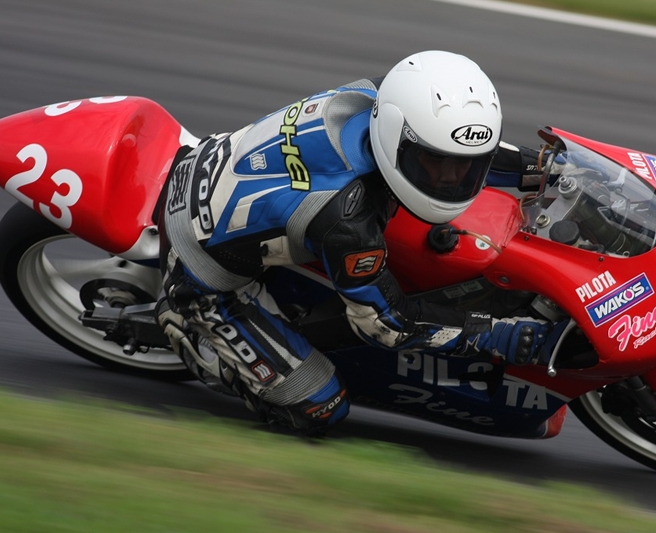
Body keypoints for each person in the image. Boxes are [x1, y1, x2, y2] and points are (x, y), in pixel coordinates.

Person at [156, 50, 551, 434]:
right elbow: (388, 324)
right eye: (435, 162)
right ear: (398, 140)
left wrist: (544, 168)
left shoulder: (388, 95)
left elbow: (458, 145)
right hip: (199, 265)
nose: (452, 178)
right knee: (321, 406)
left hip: (217, 163)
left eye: (465, 165)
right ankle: (197, 338)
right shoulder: (347, 220)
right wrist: (494, 334)